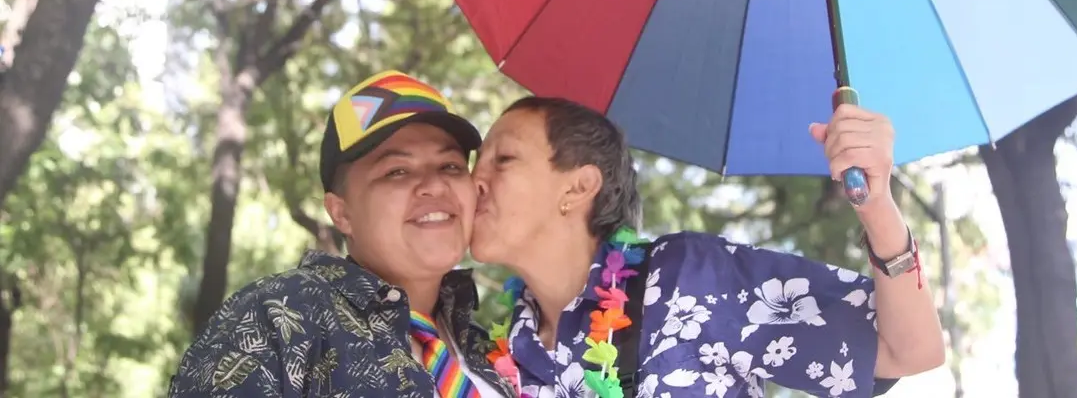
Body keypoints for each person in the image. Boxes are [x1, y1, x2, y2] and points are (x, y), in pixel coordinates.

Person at [470, 95, 945, 398]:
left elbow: (909, 350)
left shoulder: (686, 279)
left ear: (578, 188)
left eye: (503, 159)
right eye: (475, 164)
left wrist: (876, 203)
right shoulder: (496, 357)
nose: (475, 181)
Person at [168, 71, 515, 398]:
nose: (435, 184)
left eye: (450, 166)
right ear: (341, 213)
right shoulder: (281, 315)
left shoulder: (488, 350)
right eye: (397, 171)